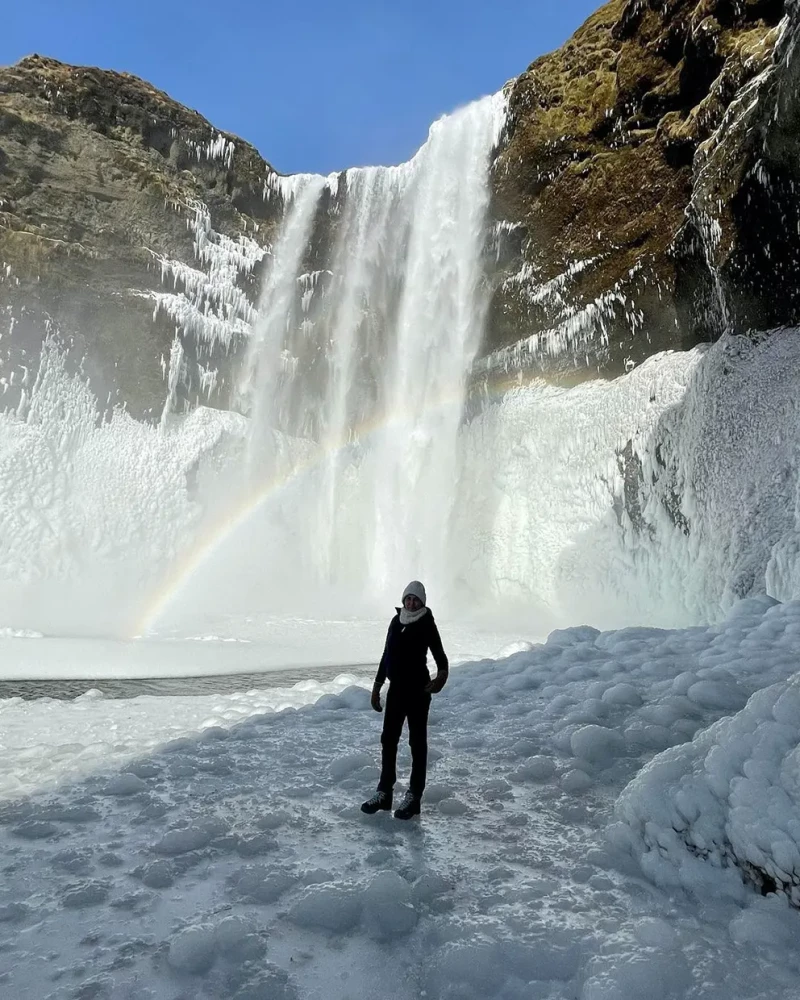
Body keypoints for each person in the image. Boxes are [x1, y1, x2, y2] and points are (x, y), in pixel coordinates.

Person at [361, 581, 448, 820]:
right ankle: (384, 793)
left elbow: (441, 658)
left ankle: (414, 797)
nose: (411, 603)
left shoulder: (427, 623)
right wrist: (377, 686)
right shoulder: (396, 620)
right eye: (408, 599)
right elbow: (386, 654)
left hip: (419, 692)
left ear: (422, 602)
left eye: (416, 599)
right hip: (396, 690)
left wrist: (440, 678)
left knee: (417, 743)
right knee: (388, 739)